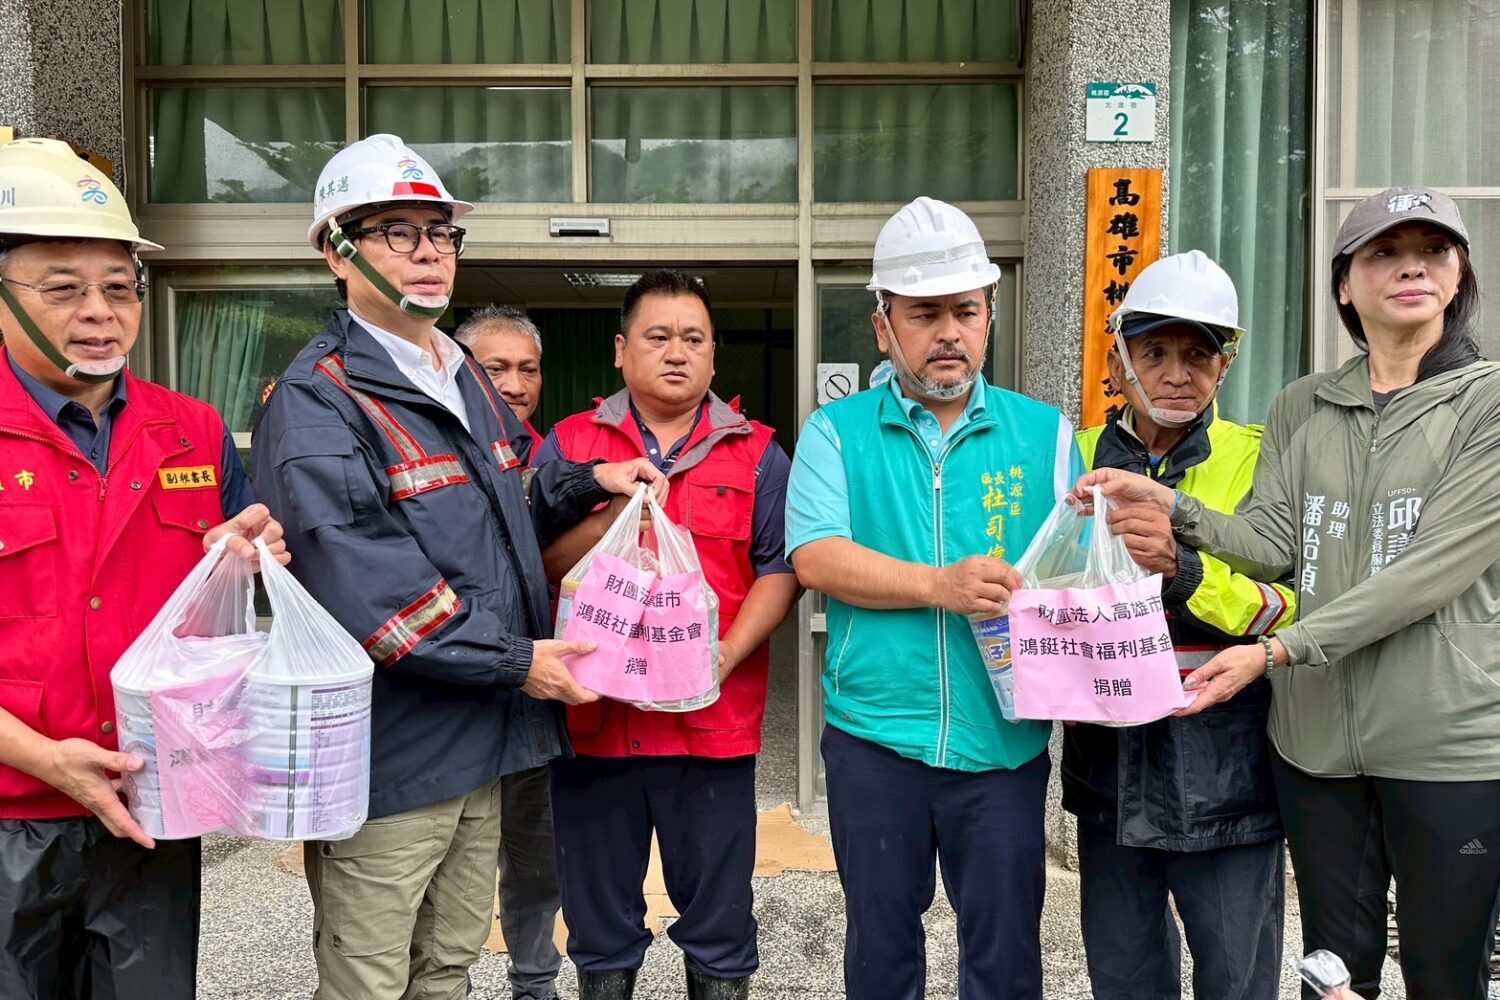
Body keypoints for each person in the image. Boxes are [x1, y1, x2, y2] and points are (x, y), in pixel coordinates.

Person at [250, 134, 664, 1000]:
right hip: (394, 757)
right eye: (399, 232)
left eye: (442, 233)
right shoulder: (320, 398)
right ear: (338, 250)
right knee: (370, 976)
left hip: (485, 741)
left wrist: (594, 477)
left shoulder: (457, 371)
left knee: (446, 969)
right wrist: (525, 663)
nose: (431, 251)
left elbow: (516, 492)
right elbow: (371, 587)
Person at [1079, 187, 1500, 1000]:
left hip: (1413, 746)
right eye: (1383, 251)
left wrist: (1246, 623)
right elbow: (1276, 546)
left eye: (1433, 250)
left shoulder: (1482, 402)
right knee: (1332, 974)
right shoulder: (1304, 406)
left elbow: (1405, 575)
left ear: (1460, 274)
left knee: (1443, 972)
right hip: (1298, 751)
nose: (1410, 265)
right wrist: (1180, 511)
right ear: (1344, 283)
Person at [0, 137, 287, 998]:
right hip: (12, 814)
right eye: (63, 288)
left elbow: (227, 601)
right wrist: (47, 759)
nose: (100, 312)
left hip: (153, 809)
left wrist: (253, 562)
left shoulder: (192, 431)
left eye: (120, 288)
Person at [786, 197, 1084, 1000]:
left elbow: (1080, 572)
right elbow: (815, 556)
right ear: (883, 326)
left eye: (966, 310)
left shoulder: (1047, 434)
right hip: (874, 742)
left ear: (990, 315)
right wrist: (938, 586)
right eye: (925, 314)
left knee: (1007, 959)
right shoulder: (835, 432)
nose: (948, 332)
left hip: (1005, 748)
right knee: (881, 955)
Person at [534, 269, 799, 1000]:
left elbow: (779, 569)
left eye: (693, 339)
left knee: (719, 924)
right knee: (598, 924)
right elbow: (530, 567)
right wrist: (609, 515)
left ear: (715, 357)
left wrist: (728, 652)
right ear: (621, 350)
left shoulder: (760, 454)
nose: (676, 352)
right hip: (594, 723)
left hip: (710, 727)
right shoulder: (569, 445)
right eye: (657, 336)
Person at [1065, 251, 1293, 1000]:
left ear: (1224, 366)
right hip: (1110, 772)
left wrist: (1187, 570)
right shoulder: (1076, 457)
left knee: (1237, 982)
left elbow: (1290, 603)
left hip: (1227, 778)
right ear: (1118, 353)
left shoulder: (1262, 459)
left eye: (1198, 354)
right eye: (1155, 351)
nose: (1176, 373)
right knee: (1124, 982)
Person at [453, 304, 561, 1000]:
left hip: (536, 699)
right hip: (454, 704)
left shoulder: (552, 458)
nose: (515, 384)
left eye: (527, 369)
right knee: (451, 868)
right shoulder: (430, 457)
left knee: (536, 858)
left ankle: (535, 983)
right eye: (496, 368)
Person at [456, 304, 543, 457]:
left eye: (529, 371)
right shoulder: (428, 448)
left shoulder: (549, 456)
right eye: (496, 369)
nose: (516, 388)